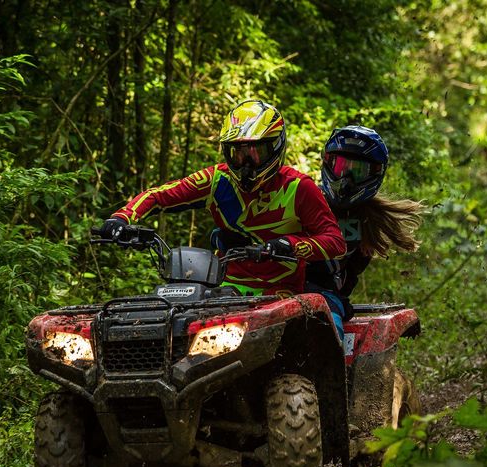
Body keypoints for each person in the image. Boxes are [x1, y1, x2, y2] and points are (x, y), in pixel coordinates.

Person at [97, 99, 346, 296]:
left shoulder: (298, 187)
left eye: (255, 153)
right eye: (237, 153)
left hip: (281, 293)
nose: (246, 163)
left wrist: (290, 245)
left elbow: (335, 241)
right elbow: (158, 195)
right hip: (223, 287)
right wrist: (121, 219)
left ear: (275, 147)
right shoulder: (216, 180)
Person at [305, 125, 424, 340]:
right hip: (281, 290)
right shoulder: (304, 199)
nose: (347, 178)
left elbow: (351, 275)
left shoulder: (369, 219)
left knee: (329, 340)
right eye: (341, 167)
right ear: (328, 162)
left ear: (374, 173)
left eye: (357, 171)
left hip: (325, 300)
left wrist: (338, 296)